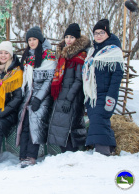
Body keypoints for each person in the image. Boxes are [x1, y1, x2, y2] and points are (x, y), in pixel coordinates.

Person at [82, 19, 124, 156]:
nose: (98, 36)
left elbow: (117, 76)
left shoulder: (114, 51)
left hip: (105, 93)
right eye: (96, 33)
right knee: (97, 121)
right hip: (92, 94)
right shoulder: (93, 52)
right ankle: (109, 148)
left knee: (100, 120)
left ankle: (102, 151)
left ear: (107, 33)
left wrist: (111, 96)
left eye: (102, 32)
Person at [16, 26, 56, 168]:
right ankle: (23, 155)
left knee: (35, 124)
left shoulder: (48, 54)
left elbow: (49, 79)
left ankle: (31, 156)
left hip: (42, 97)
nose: (32, 42)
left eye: (34, 39)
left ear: (40, 39)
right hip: (29, 95)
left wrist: (39, 98)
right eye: (29, 40)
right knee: (25, 124)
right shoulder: (28, 55)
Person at [47, 23, 90, 153]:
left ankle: (72, 153)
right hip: (61, 95)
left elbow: (78, 80)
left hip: (72, 97)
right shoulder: (63, 55)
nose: (69, 40)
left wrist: (68, 99)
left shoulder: (79, 56)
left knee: (70, 127)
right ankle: (68, 154)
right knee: (61, 126)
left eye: (72, 37)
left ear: (77, 39)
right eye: (67, 37)